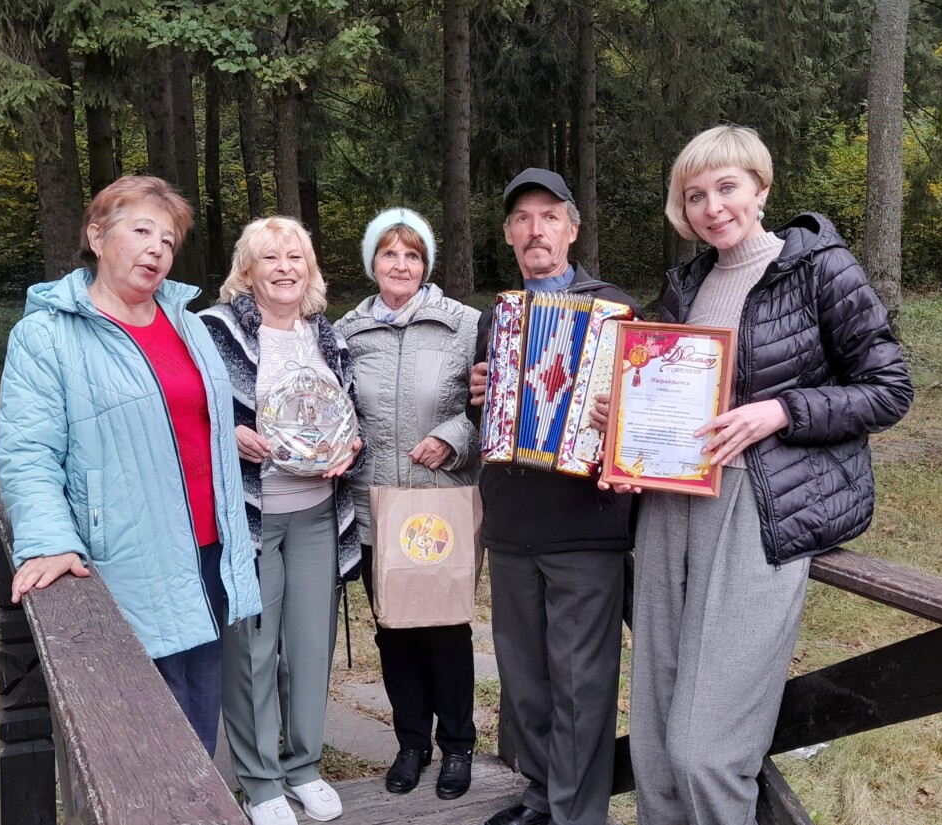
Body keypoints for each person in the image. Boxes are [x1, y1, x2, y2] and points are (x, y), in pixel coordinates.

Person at [597, 124, 913, 825]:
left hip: (759, 510)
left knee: (705, 751)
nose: (714, 206)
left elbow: (890, 386)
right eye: (696, 195)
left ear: (761, 188)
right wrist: (622, 435)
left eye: (728, 187)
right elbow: (671, 402)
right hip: (670, 504)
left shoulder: (818, 267)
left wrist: (781, 409)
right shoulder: (685, 284)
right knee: (654, 741)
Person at [0, 175, 262, 758]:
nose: (157, 250)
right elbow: (26, 452)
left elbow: (198, 422)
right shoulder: (46, 337)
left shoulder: (187, 323)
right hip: (128, 558)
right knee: (141, 741)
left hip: (208, 553)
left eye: (168, 241)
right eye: (142, 231)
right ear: (97, 236)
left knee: (197, 726)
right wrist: (46, 541)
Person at [467, 169, 643, 825]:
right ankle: (540, 796)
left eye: (548, 216)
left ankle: (577, 813)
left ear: (572, 228)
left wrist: (615, 411)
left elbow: (646, 419)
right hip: (512, 526)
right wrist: (478, 393)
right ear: (510, 234)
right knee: (526, 681)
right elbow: (492, 419)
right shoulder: (500, 316)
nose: (535, 229)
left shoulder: (617, 311)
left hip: (584, 526)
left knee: (581, 686)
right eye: (522, 219)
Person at [200, 216, 364, 825]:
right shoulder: (214, 334)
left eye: (296, 256)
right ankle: (261, 779)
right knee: (251, 647)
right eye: (271, 258)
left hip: (318, 514)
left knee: (308, 644)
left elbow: (349, 414)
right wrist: (228, 434)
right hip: (252, 516)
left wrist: (352, 448)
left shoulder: (325, 335)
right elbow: (189, 413)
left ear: (310, 269)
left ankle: (305, 766)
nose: (285, 267)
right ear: (247, 270)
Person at [334, 208, 481, 800]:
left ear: (427, 265)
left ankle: (458, 745)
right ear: (373, 262)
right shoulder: (344, 333)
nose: (401, 265)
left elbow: (489, 405)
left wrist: (454, 437)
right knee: (393, 630)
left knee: (445, 628)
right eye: (390, 254)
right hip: (376, 509)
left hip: (437, 507)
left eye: (413, 255)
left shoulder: (466, 324)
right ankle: (411, 742)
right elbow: (332, 405)